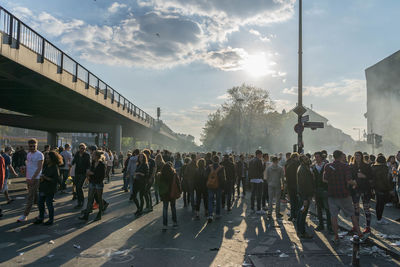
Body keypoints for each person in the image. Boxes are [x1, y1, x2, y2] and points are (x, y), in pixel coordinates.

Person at [324, 150, 363, 244]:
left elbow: (324, 179)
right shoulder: (345, 166)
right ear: (341, 156)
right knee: (352, 214)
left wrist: (333, 183)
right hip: (344, 194)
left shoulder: (328, 166)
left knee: (334, 216)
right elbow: (349, 180)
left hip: (332, 195)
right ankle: (359, 233)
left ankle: (336, 236)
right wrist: (355, 183)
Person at [18, 139, 44, 222]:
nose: (32, 147)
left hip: (36, 178)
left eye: (34, 146)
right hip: (29, 178)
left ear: (37, 145)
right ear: (28, 146)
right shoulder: (28, 154)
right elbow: (29, 165)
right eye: (30, 146)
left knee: (30, 197)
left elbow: (40, 168)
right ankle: (44, 212)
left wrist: (32, 178)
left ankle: (25, 215)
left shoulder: (40, 154)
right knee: (36, 197)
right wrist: (24, 169)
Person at [34, 151, 62, 225]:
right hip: (43, 187)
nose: (46, 159)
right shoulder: (46, 166)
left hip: (50, 188)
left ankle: (51, 220)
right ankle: (41, 218)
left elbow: (56, 180)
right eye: (46, 158)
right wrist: (42, 178)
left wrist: (45, 177)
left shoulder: (55, 167)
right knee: (40, 204)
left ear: (52, 159)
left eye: (48, 158)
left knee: (49, 204)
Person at [349, 151, 373, 235]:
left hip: (365, 189)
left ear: (361, 156)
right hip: (355, 189)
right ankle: (356, 226)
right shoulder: (351, 166)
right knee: (356, 209)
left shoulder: (367, 166)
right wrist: (352, 183)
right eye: (355, 155)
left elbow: (371, 178)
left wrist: (364, 176)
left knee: (366, 208)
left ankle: (368, 227)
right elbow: (349, 177)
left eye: (358, 155)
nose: (357, 157)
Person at [79, 151, 107, 221]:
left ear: (97, 156)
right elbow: (89, 171)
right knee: (89, 199)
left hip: (98, 183)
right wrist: (88, 175)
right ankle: (86, 215)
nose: (92, 156)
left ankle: (99, 214)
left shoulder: (102, 164)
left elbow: (102, 176)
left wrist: (92, 173)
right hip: (92, 182)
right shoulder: (93, 163)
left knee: (99, 199)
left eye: (93, 155)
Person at [312, 152, 332, 233]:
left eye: (318, 157)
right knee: (319, 208)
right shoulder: (313, 167)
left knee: (327, 208)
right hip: (317, 190)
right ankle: (321, 225)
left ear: (321, 157)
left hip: (325, 189)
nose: (316, 158)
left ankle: (329, 226)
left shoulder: (326, 166)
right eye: (315, 157)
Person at [296, 155, 314, 239]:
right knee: (303, 213)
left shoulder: (304, 168)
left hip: (304, 195)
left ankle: (299, 230)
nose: (308, 160)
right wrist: (305, 198)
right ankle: (302, 232)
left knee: (301, 212)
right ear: (302, 161)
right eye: (306, 159)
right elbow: (303, 185)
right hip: (304, 195)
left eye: (307, 158)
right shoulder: (303, 169)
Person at [372, 155, 393, 224]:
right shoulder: (384, 168)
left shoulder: (373, 167)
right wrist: (390, 189)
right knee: (381, 204)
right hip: (383, 188)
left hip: (376, 187)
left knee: (378, 203)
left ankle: (379, 218)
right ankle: (379, 219)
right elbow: (385, 180)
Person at [159, 163, 179, 230]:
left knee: (165, 209)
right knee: (173, 208)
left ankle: (165, 224)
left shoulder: (161, 175)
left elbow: (160, 186)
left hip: (164, 194)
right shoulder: (174, 174)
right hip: (172, 193)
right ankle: (175, 222)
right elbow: (178, 183)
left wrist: (160, 195)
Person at [206, 155, 226, 223]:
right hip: (219, 186)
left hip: (210, 186)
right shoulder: (221, 168)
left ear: (213, 160)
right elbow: (223, 179)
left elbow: (205, 176)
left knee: (210, 200)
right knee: (218, 200)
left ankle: (210, 215)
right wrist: (223, 187)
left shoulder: (209, 167)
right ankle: (217, 214)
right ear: (218, 160)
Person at [71, 144, 91, 209]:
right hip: (77, 172)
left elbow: (88, 165)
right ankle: (79, 202)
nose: (82, 150)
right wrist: (71, 164)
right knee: (77, 187)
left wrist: (87, 174)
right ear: (79, 148)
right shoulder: (76, 154)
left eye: (84, 149)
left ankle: (81, 201)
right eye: (81, 148)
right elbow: (73, 162)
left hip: (83, 173)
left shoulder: (87, 155)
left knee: (79, 186)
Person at [248, 150, 265, 214]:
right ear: (259, 154)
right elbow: (261, 170)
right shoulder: (259, 161)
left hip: (252, 179)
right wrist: (264, 165)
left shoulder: (251, 161)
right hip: (259, 179)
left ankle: (252, 208)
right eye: (261, 154)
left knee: (253, 194)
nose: (261, 156)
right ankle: (258, 209)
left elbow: (249, 170)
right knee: (259, 194)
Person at [285, 153, 300, 221]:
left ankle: (292, 215)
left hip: (290, 185)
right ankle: (297, 215)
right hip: (297, 185)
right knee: (297, 201)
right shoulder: (298, 164)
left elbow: (286, 175)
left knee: (292, 201)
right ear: (296, 157)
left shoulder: (287, 163)